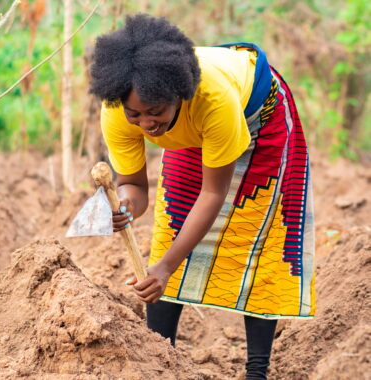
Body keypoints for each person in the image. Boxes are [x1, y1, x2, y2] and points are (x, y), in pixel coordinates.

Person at [89, 14, 315, 380]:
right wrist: (125, 208)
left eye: (155, 112)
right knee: (172, 224)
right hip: (192, 126)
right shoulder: (118, 111)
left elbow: (213, 193)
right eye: (136, 115)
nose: (146, 124)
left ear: (177, 95)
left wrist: (163, 269)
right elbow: (134, 185)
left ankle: (257, 370)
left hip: (261, 115)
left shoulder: (212, 100)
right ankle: (159, 361)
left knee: (257, 236)